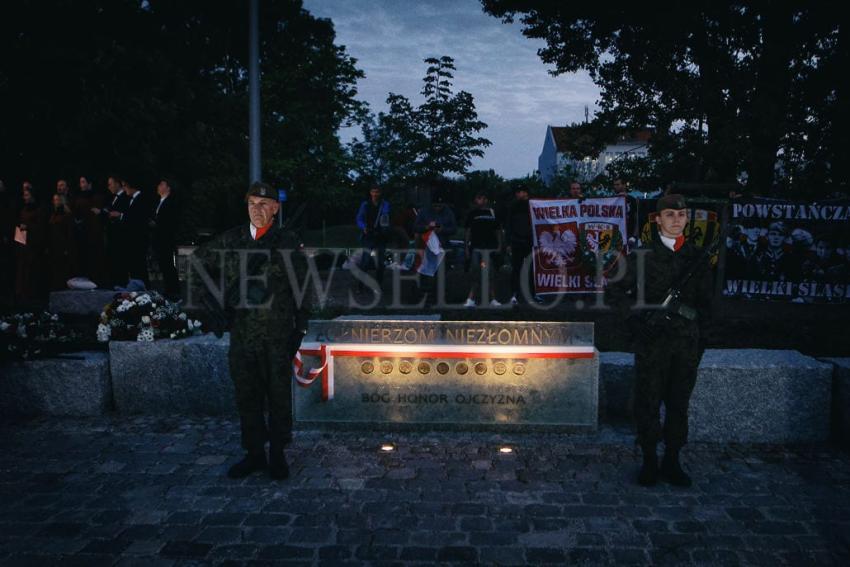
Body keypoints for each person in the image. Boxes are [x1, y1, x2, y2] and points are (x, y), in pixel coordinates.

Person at [189, 181, 311, 480]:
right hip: (242, 333)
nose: (257, 209)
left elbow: (303, 287)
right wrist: (210, 308)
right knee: (247, 395)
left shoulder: (286, 241)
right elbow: (197, 264)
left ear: (275, 208)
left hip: (277, 333)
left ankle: (278, 453)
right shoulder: (231, 239)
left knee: (279, 396)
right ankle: (254, 453)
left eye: (264, 204)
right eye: (252, 203)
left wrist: (301, 328)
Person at [605, 194, 714, 487]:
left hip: (685, 343)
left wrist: (701, 339)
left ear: (687, 219)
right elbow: (613, 292)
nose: (676, 221)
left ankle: (673, 459)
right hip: (652, 342)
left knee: (679, 403)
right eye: (669, 215)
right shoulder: (642, 256)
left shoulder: (698, 258)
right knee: (648, 402)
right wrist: (636, 321)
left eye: (681, 215)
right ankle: (650, 460)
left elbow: (708, 306)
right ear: (657, 219)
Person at [413, 190, 457, 305]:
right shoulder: (424, 211)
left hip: (443, 246)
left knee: (442, 273)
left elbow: (454, 228)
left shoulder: (448, 212)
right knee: (425, 274)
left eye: (440, 205)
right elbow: (416, 227)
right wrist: (427, 227)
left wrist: (442, 229)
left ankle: (441, 297)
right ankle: (425, 298)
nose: (438, 208)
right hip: (427, 246)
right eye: (436, 205)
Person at [463, 191, 502, 307]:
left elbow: (498, 231)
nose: (481, 200)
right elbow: (468, 231)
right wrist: (466, 247)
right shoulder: (472, 214)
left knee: (489, 273)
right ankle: (471, 299)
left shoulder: (492, 213)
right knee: (475, 273)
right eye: (478, 198)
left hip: (489, 249)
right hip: (476, 248)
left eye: (483, 198)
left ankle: (492, 299)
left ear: (486, 200)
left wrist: (500, 245)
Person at [110, 179, 150, 285]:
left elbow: (138, 218)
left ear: (131, 186)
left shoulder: (141, 198)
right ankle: (137, 286)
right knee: (134, 265)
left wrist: (121, 215)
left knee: (139, 264)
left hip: (138, 238)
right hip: (131, 238)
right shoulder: (131, 199)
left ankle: (144, 287)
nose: (123, 189)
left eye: (124, 186)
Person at [505, 184, 540, 305]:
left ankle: (533, 294)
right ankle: (515, 294)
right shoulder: (512, 206)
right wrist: (508, 243)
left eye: (522, 192)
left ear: (526, 193)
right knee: (516, 269)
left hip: (530, 242)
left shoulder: (533, 205)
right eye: (518, 192)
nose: (520, 194)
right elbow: (508, 225)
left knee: (531, 269)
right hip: (516, 242)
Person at [92, 175, 129, 287]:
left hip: (119, 236)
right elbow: (109, 210)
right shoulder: (113, 198)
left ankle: (121, 284)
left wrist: (103, 213)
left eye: (110, 184)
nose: (109, 187)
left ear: (118, 184)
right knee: (113, 260)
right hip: (112, 235)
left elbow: (119, 214)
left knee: (119, 260)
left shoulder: (125, 197)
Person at [72, 176, 108, 286]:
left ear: (89, 183)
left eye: (83, 182)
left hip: (95, 233)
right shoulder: (78, 199)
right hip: (83, 233)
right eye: (80, 182)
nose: (81, 185)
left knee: (96, 258)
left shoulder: (97, 197)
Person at [355, 185, 391, 291]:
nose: (375, 194)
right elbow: (359, 218)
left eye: (377, 192)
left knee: (380, 263)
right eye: (373, 192)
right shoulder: (365, 205)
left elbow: (385, 217)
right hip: (368, 235)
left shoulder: (385, 204)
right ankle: (360, 286)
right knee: (365, 261)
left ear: (380, 193)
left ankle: (379, 285)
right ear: (370, 192)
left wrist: (384, 228)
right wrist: (363, 227)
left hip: (381, 236)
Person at [14, 185, 46, 304]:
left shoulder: (38, 210)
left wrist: (28, 227)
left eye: (27, 195)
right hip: (23, 244)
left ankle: (31, 294)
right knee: (22, 269)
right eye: (24, 195)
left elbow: (41, 227)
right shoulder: (23, 210)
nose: (25, 197)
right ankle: (21, 294)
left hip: (33, 245)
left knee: (31, 270)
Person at [150, 178, 180, 299]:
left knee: (167, 264)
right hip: (159, 238)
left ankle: (173, 289)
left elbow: (168, 221)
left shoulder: (170, 202)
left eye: (161, 184)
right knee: (164, 264)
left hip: (166, 238)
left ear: (168, 188)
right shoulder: (160, 202)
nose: (158, 186)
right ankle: (169, 288)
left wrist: (156, 223)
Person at [47, 194, 77, 290]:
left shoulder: (67, 215)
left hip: (63, 246)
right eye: (54, 200)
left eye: (57, 200)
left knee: (63, 268)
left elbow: (70, 233)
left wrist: (67, 248)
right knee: (56, 268)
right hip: (54, 246)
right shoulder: (53, 214)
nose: (55, 202)